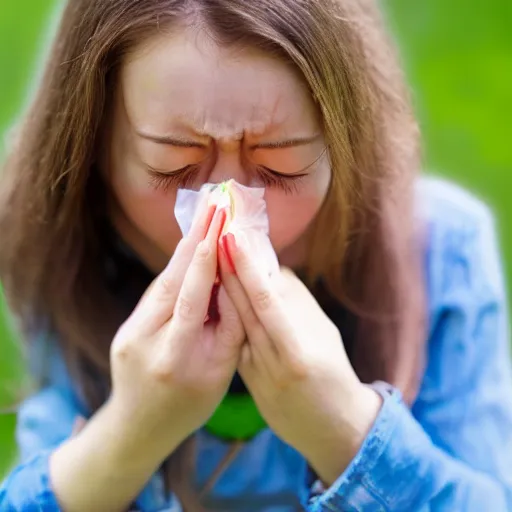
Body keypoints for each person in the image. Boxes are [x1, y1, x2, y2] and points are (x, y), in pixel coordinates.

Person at [0, 0, 511, 510]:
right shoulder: (74, 257)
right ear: (94, 153)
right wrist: (129, 433)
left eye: (280, 166)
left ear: (347, 149)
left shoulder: (442, 253)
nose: (226, 214)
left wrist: (347, 430)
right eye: (172, 164)